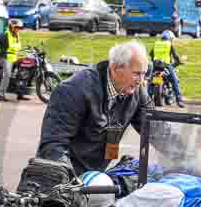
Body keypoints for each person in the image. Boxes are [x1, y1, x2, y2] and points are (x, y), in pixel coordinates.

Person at [37, 40, 155, 175]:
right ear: (116, 68)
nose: (141, 80)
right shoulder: (74, 90)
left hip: (95, 178)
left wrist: (179, 156)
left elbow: (156, 128)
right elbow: (53, 145)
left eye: (144, 74)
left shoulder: (136, 92)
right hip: (61, 178)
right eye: (137, 73)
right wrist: (71, 182)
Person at [0, 19, 27, 102]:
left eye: (19, 28)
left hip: (14, 57)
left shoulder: (16, 35)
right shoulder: (5, 35)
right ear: (11, 27)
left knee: (21, 73)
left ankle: (20, 94)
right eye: (17, 27)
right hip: (5, 58)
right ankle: (0, 95)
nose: (18, 29)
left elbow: (17, 47)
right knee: (7, 75)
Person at [149, 30, 185, 108]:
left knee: (150, 81)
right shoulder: (169, 44)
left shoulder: (156, 43)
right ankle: (179, 100)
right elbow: (175, 56)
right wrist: (179, 62)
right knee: (175, 81)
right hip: (166, 65)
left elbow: (151, 54)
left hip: (156, 65)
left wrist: (154, 60)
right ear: (170, 38)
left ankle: (146, 98)